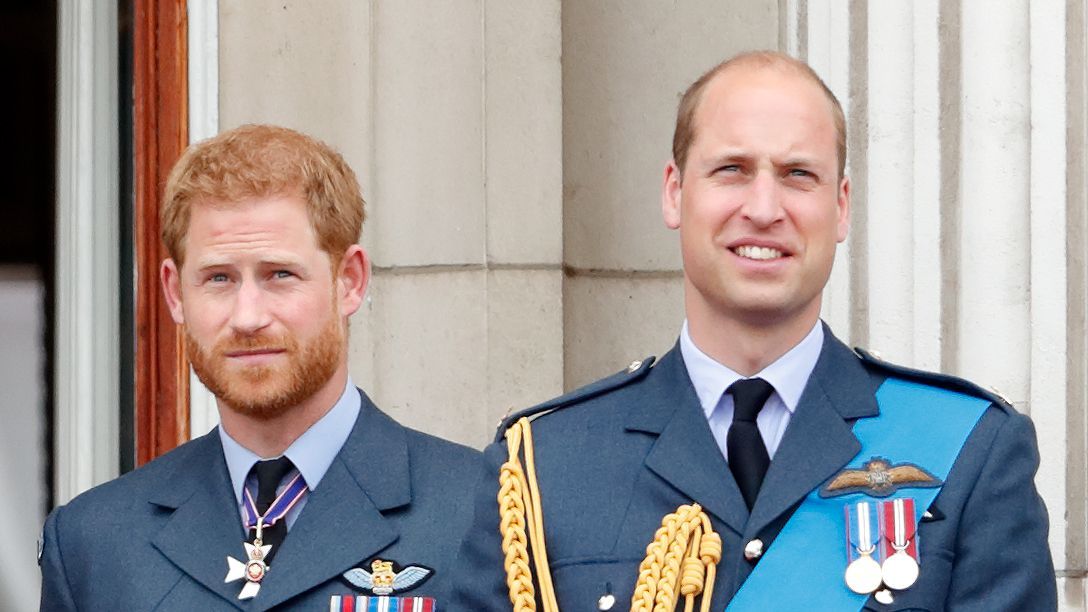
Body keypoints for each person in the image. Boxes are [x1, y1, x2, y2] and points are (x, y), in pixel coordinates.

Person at [451, 51, 1056, 610]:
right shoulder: (543, 467)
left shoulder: (971, 451)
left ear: (841, 206)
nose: (765, 208)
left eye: (798, 174)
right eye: (732, 169)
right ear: (675, 192)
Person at [39, 125, 481, 611]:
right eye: (219, 278)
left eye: (279, 275)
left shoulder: (485, 512)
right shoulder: (94, 543)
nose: (248, 317)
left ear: (349, 282)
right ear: (174, 292)